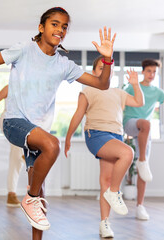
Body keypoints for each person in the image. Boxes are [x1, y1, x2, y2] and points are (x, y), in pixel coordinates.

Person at [0, 7, 116, 239]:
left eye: (64, 27)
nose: (60, 30)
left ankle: (34, 205)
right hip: (14, 122)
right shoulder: (24, 50)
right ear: (41, 28)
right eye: (54, 24)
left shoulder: (63, 65)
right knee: (52, 146)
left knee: (40, 192)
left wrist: (107, 59)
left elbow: (102, 84)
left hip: (36, 130)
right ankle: (30, 199)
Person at [65, 55, 144, 238]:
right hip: (96, 134)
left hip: (115, 136)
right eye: (101, 68)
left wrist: (135, 84)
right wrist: (68, 138)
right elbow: (78, 115)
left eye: (108, 69)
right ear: (94, 72)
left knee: (106, 181)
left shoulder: (118, 92)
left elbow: (139, 102)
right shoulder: (88, 90)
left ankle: (105, 224)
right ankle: (115, 192)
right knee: (128, 153)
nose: (105, 72)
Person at [123, 59, 164, 220]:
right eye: (149, 71)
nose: (152, 75)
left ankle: (140, 206)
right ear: (143, 71)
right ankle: (141, 160)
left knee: (143, 169)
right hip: (130, 124)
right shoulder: (132, 86)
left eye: (154, 72)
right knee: (146, 123)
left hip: (144, 132)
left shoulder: (157, 91)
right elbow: (120, 104)